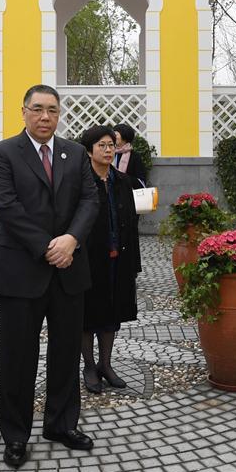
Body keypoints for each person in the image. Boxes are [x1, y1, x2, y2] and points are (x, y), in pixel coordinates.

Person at [0, 84, 99, 469]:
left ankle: (61, 424)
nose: (45, 117)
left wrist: (71, 240)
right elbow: (5, 205)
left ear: (59, 113)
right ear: (24, 111)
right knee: (18, 357)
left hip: (69, 270)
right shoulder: (3, 154)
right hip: (20, 271)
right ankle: (16, 435)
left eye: (52, 109)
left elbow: (89, 200)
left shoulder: (76, 152)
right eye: (37, 109)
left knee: (66, 352)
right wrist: (50, 246)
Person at [78, 126, 142, 394]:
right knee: (88, 314)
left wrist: (134, 264)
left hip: (119, 257)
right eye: (102, 145)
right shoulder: (80, 182)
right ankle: (89, 366)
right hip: (89, 259)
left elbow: (131, 223)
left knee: (112, 312)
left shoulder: (122, 181)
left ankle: (106, 364)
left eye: (111, 145)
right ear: (90, 150)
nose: (107, 150)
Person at [112, 123, 147, 188]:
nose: (113, 137)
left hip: (129, 194)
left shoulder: (135, 157)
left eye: (116, 134)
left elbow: (141, 182)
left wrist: (122, 177)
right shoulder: (110, 153)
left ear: (124, 136)